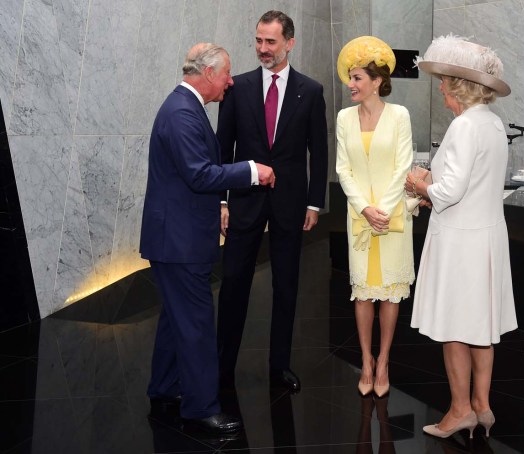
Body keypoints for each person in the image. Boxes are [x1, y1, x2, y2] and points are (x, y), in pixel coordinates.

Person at [139, 43, 276, 434]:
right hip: (179, 243)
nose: (231, 81)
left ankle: (165, 387)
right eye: (227, 74)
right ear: (210, 74)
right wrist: (252, 170)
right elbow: (199, 174)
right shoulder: (182, 112)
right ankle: (200, 407)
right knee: (197, 323)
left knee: (175, 319)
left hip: (177, 239)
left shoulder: (185, 107)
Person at [406, 34, 518, 439]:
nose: (439, 87)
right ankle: (482, 406)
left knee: (455, 327)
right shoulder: (492, 123)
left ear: (458, 86)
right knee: (481, 327)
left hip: (460, 242)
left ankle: (457, 411)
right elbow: (470, 183)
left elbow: (449, 192)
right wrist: (434, 184)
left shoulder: (463, 126)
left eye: (444, 81)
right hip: (486, 238)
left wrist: (417, 185)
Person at [216, 10, 328, 392]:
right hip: (244, 201)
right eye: (259, 41)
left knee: (286, 285)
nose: (263, 49)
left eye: (271, 42)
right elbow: (222, 149)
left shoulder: (310, 91)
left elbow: (320, 151)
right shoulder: (237, 87)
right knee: (233, 283)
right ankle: (221, 366)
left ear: (289, 43)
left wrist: (314, 204)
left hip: (290, 204)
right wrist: (221, 202)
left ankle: (279, 366)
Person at [335, 36, 415, 398]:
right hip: (360, 218)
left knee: (390, 296)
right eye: (349, 78)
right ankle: (365, 360)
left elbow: (403, 166)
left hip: (392, 218)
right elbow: (343, 170)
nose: (350, 85)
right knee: (363, 294)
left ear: (377, 82)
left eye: (356, 79)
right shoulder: (344, 118)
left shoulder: (399, 115)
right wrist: (364, 208)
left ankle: (384, 361)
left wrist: (382, 209)